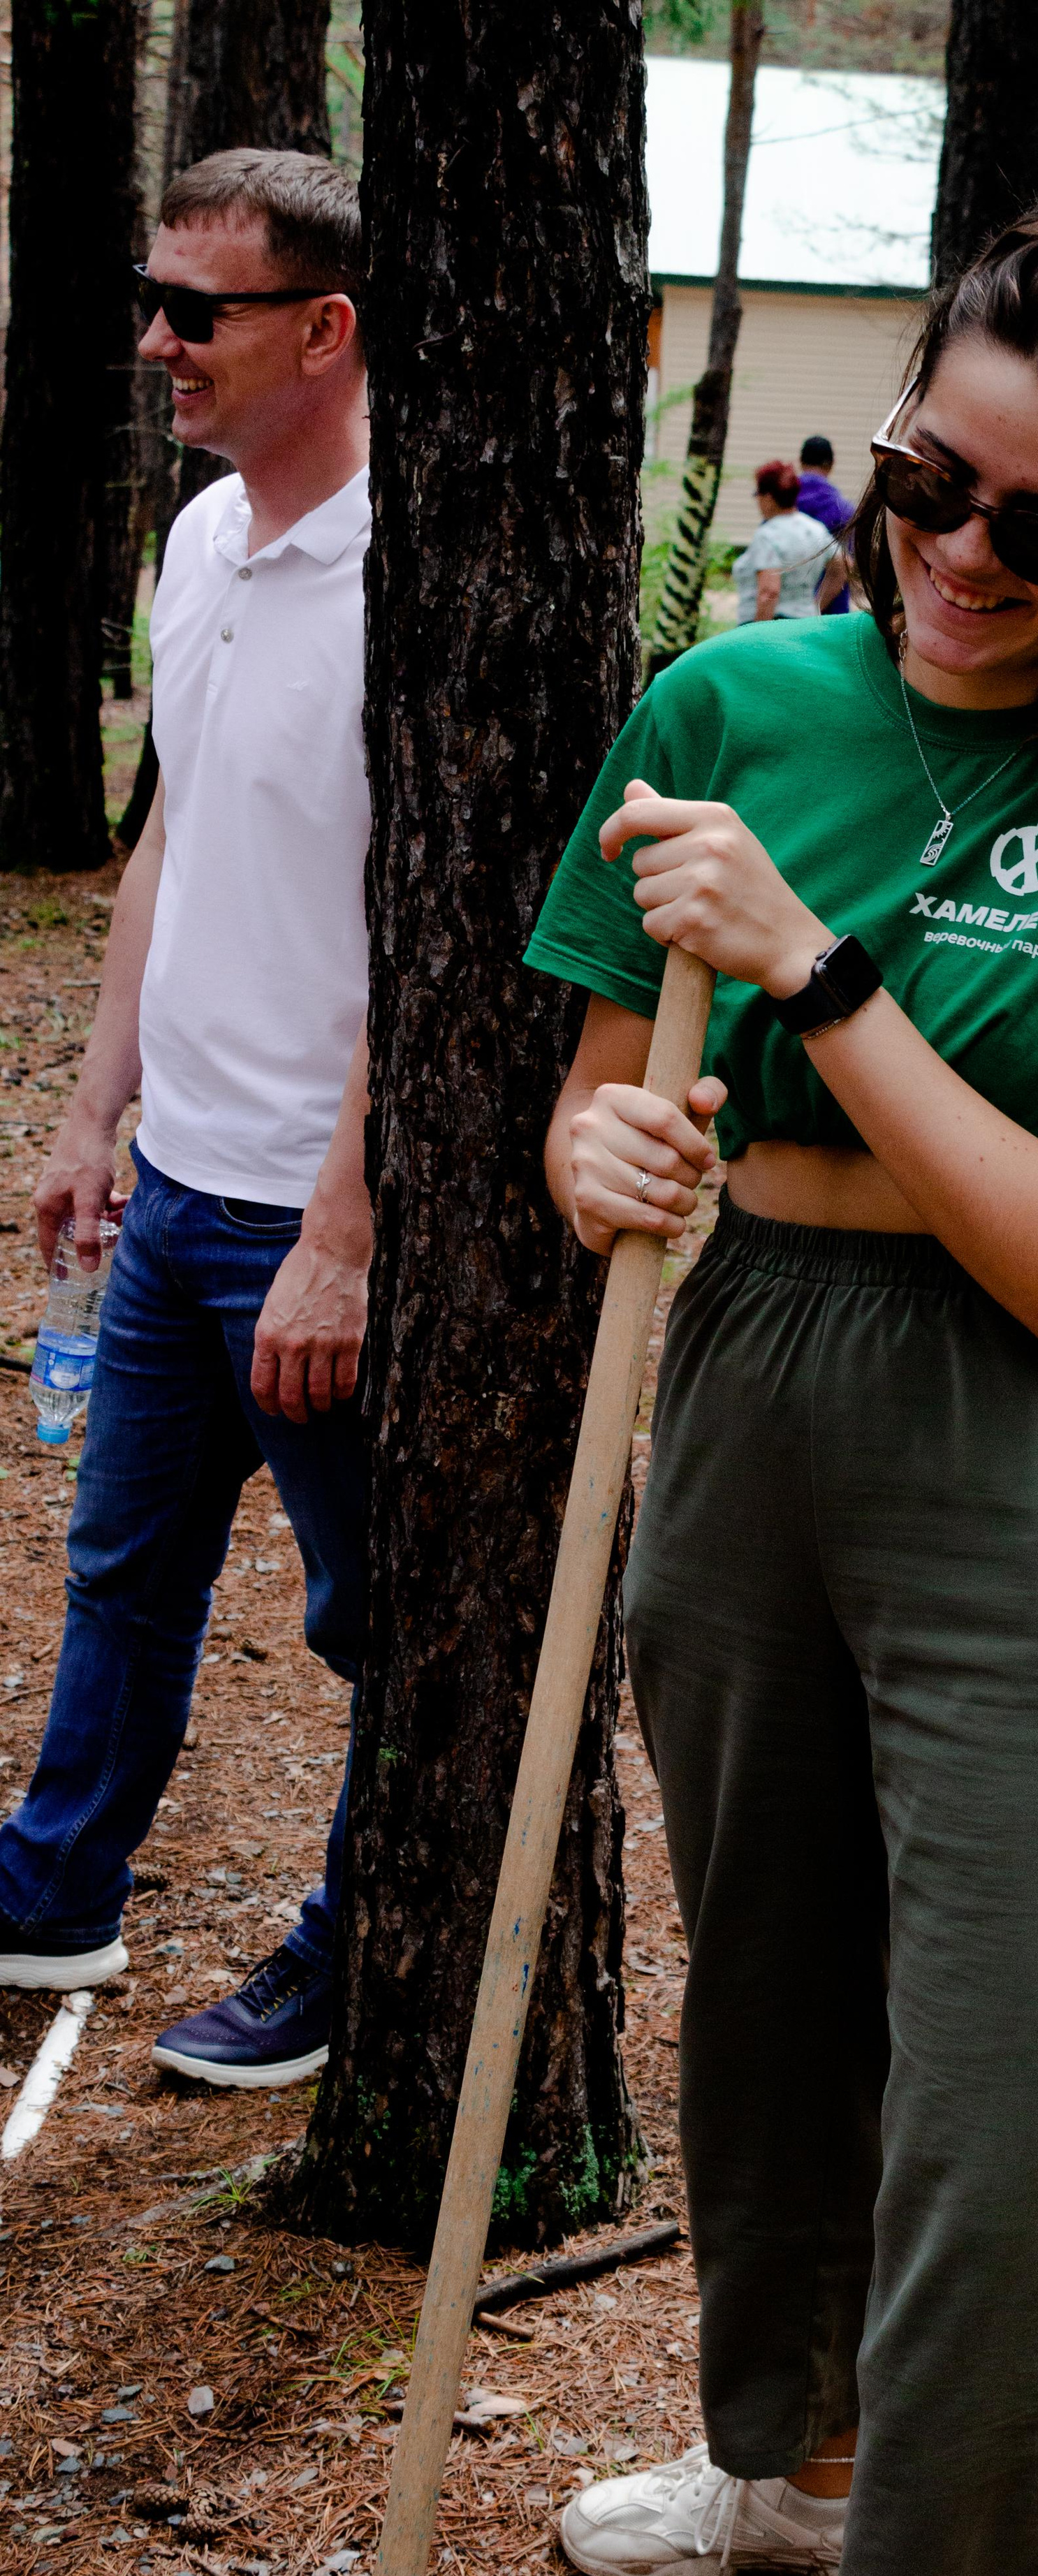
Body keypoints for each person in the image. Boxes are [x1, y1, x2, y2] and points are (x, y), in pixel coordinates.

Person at [526, 196, 1038, 2576]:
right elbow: (592, 1100)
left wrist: (820, 970)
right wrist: (606, 1164)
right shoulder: (729, 706)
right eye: (924, 482)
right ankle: (784, 2468)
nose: (955, 556)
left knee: (994, 2137)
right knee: (766, 2029)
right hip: (756, 1389)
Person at [0, 148, 373, 2093]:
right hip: (172, 1195)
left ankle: (358, 1952)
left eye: (195, 310)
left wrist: (343, 1223)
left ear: (324, 329)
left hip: (313, 1218)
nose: (154, 341)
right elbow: (173, 828)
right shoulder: (206, 538)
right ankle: (55, 1890)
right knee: (125, 1573)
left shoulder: (418, 576)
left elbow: (446, 938)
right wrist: (92, 1109)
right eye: (151, 299)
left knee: (380, 1631)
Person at [730, 461, 842, 626]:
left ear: (768, 498)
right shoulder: (816, 530)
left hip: (771, 626)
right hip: (804, 623)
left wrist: (757, 635)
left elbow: (769, 592)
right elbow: (843, 566)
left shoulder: (768, 535)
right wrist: (816, 605)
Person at [796, 432, 854, 612]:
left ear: (801, 461)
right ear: (831, 465)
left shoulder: (782, 505)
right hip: (831, 611)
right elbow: (849, 563)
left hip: (788, 608)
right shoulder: (845, 511)